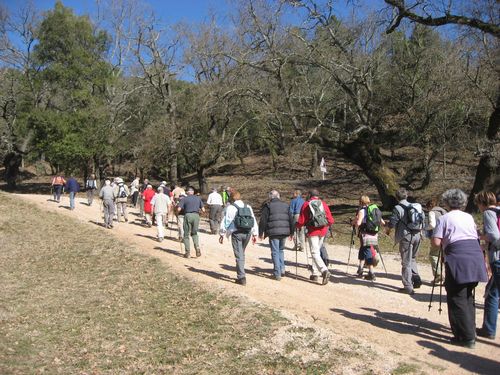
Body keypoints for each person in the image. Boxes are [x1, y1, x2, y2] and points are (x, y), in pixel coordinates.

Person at [432, 189, 488, 349]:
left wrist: (439, 242)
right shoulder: (469, 217)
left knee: (457, 297)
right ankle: (470, 330)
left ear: (447, 202)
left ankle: (466, 337)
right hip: (475, 254)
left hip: (458, 256)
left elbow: (436, 242)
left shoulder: (444, 218)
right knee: (468, 295)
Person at [385, 188, 425, 295]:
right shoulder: (415, 206)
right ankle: (416, 280)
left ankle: (408, 286)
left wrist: (386, 226)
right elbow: (423, 220)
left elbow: (392, 223)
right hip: (417, 235)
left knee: (406, 262)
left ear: (397, 197)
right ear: (406, 196)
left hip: (406, 236)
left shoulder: (397, 208)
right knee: (412, 258)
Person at [474, 191, 500, 340]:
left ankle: (489, 329)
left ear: (482, 202)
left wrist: (481, 236)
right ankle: (488, 328)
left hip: (497, 258)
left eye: (478, 203)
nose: (478, 207)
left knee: (492, 293)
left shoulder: (489, 213)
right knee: (492, 291)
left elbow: (494, 236)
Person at [219, 190, 258, 285]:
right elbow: (253, 219)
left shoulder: (231, 207)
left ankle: (241, 277)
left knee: (239, 255)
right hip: (248, 233)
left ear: (231, 198)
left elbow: (226, 221)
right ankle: (241, 272)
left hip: (236, 233)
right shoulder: (248, 206)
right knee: (241, 253)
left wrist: (222, 234)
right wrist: (255, 233)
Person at [296, 189, 334, 285]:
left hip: (312, 231)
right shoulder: (323, 204)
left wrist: (297, 226)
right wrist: (325, 225)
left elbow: (301, 221)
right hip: (323, 231)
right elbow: (330, 220)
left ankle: (324, 270)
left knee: (314, 252)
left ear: (309, 195)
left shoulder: (306, 204)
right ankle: (315, 273)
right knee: (316, 251)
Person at [259, 190, 294, 280]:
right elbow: (291, 219)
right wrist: (292, 232)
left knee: (275, 252)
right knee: (281, 250)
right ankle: (282, 269)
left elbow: (263, 220)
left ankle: (277, 273)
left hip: (273, 232)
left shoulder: (268, 206)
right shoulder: (286, 205)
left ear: (271, 197)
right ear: (278, 196)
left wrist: (261, 232)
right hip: (284, 232)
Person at [353, 195, 385, 281]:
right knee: (363, 249)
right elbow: (382, 222)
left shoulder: (362, 211)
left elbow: (359, 223)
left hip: (365, 234)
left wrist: (355, 222)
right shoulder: (374, 210)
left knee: (367, 251)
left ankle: (371, 273)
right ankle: (360, 268)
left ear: (360, 202)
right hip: (374, 234)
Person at [177, 187, 205, 258]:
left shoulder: (184, 199)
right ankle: (197, 248)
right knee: (194, 233)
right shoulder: (198, 198)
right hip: (196, 216)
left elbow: (179, 209)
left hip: (188, 215)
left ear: (187, 192)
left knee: (186, 235)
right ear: (193, 192)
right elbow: (203, 210)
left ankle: (187, 253)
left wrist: (177, 213)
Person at [425, 197, 447, 284]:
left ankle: (438, 275)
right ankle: (448, 278)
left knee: (433, 255)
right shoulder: (444, 212)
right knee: (445, 258)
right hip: (447, 238)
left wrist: (425, 228)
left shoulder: (432, 212)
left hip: (437, 237)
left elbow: (432, 225)